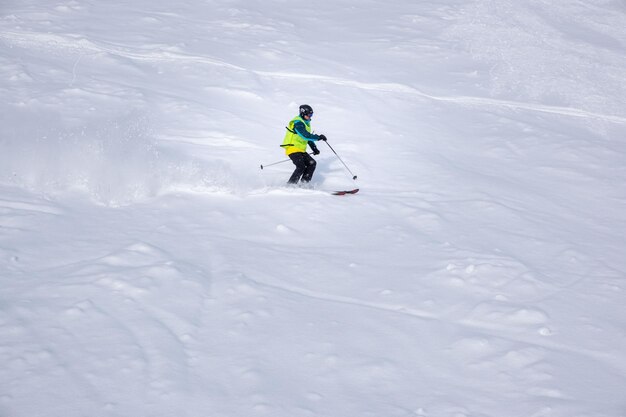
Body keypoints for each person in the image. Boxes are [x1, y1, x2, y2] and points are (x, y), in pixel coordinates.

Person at [281, 104, 327, 185]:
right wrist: (318, 137)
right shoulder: (298, 123)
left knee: (312, 163)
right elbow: (305, 135)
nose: (310, 117)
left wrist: (314, 148)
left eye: (311, 115)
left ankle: (304, 184)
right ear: (303, 113)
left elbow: (308, 138)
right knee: (301, 166)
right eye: (309, 115)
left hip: (300, 150)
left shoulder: (305, 123)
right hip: (292, 149)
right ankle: (290, 185)